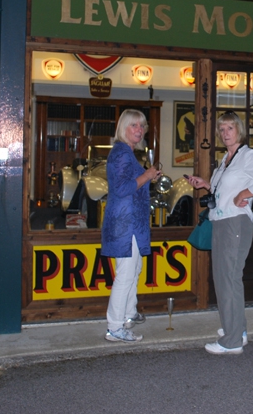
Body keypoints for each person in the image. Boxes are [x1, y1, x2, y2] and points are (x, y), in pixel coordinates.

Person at [184, 111, 253, 355]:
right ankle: (237, 330)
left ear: (239, 130)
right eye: (222, 129)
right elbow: (221, 190)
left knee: (228, 280)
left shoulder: (247, 156)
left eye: (230, 129)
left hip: (235, 223)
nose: (225, 134)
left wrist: (244, 194)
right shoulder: (227, 159)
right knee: (226, 279)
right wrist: (205, 184)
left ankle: (232, 341)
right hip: (221, 222)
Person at [101, 109, 161, 343]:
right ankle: (115, 327)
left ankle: (127, 315)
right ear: (123, 128)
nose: (139, 130)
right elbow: (122, 189)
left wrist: (147, 177)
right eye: (133, 125)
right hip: (125, 225)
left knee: (133, 270)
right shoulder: (122, 153)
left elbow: (129, 185)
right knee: (125, 275)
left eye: (142, 126)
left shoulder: (127, 152)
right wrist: (146, 176)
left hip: (131, 223)